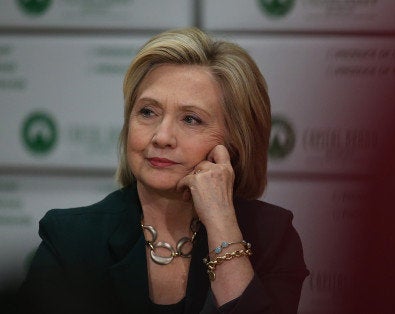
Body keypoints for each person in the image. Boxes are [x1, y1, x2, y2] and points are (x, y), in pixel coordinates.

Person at [19, 27, 309, 314]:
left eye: (191, 120)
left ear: (235, 142)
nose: (161, 137)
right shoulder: (71, 240)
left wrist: (221, 222)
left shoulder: (272, 238)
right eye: (148, 112)